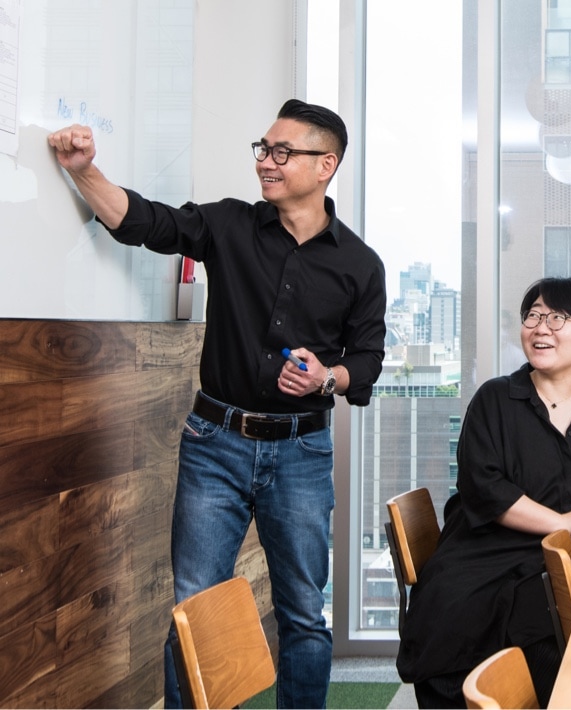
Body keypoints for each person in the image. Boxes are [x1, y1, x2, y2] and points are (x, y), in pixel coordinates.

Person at [47, 101, 387, 707]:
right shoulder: (228, 225)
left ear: (325, 164)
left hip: (302, 452)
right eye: (263, 149)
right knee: (195, 607)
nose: (267, 162)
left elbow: (366, 361)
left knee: (303, 613)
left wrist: (325, 379)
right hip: (215, 445)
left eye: (284, 153)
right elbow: (143, 223)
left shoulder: (360, 265)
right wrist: (84, 171)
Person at [395, 277, 571, 707]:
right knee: (555, 631)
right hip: (487, 558)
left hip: (568, 557)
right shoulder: (495, 399)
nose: (540, 327)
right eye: (533, 315)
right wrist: (562, 522)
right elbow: (483, 487)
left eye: (557, 318)